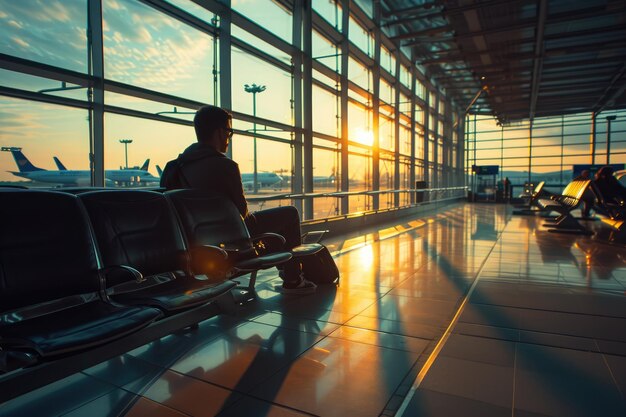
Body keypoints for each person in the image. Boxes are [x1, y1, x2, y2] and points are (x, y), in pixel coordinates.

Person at [161, 105, 316, 294]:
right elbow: (242, 213)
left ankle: (287, 268)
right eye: (229, 131)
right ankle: (293, 279)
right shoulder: (225, 166)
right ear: (219, 132)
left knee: (274, 228)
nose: (229, 138)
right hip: (228, 237)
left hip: (193, 243)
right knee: (289, 214)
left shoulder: (173, 167)